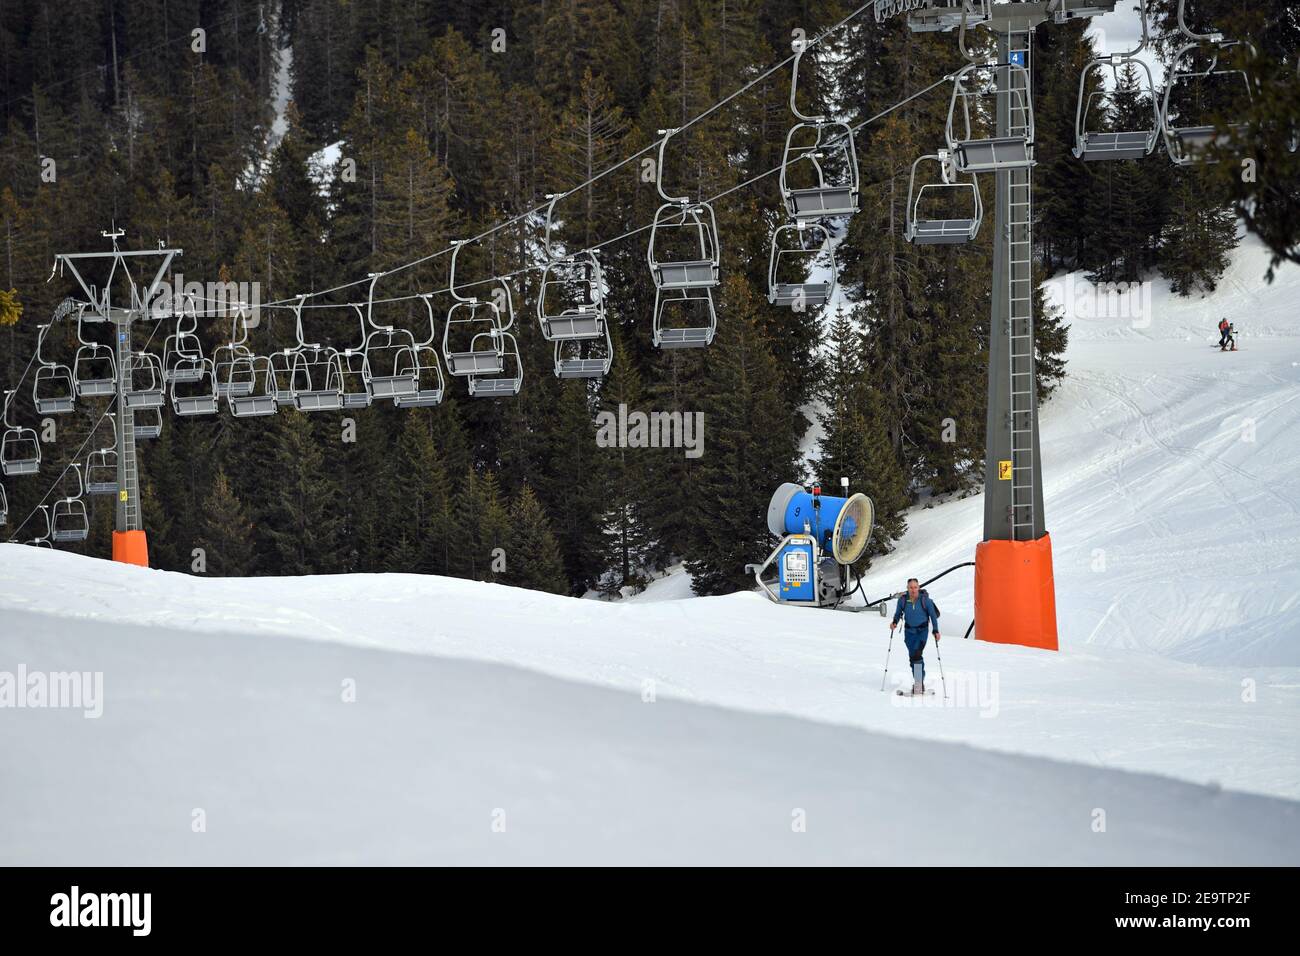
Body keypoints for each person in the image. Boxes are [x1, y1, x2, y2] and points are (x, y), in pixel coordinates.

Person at [891, 578, 941, 695]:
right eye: (911, 587)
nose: (913, 590)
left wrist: (935, 630)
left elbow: (933, 616)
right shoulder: (903, 600)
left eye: (915, 587)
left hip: (922, 632)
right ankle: (918, 681)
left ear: (918, 587)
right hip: (909, 632)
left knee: (917, 655)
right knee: (913, 658)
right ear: (907, 588)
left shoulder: (926, 600)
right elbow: (898, 613)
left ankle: (919, 684)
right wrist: (894, 622)